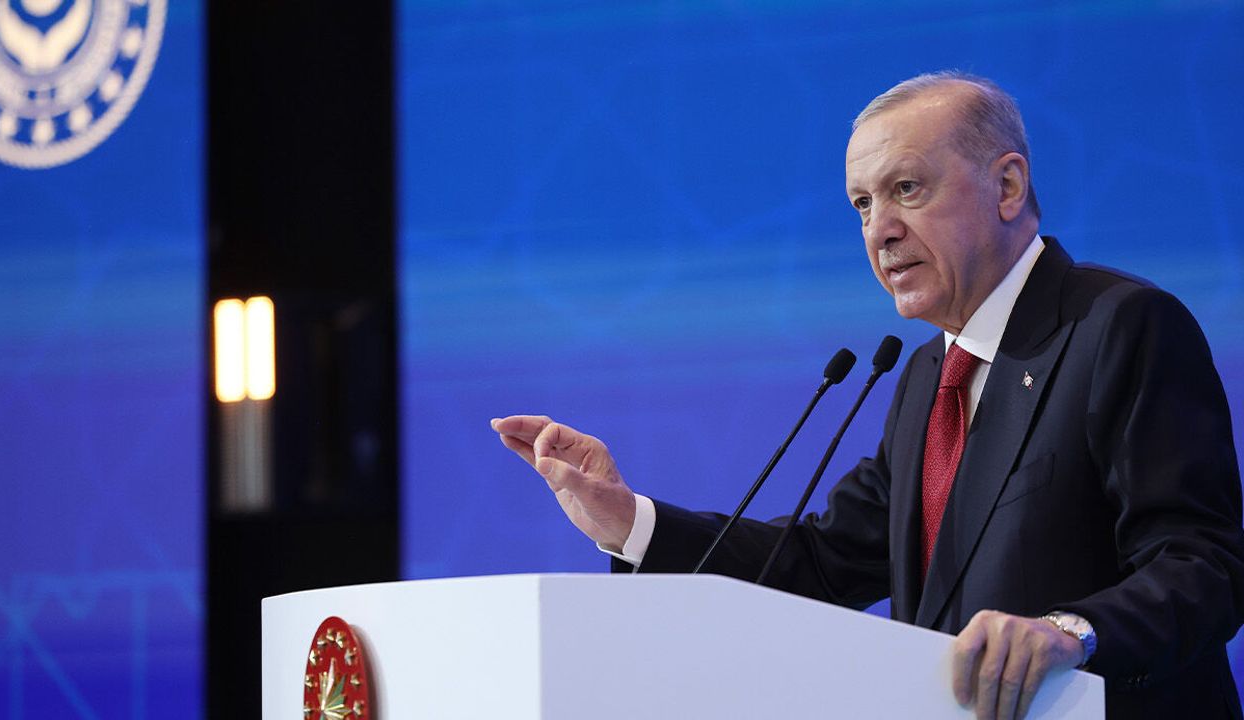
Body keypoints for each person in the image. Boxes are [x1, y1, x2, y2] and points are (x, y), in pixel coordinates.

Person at [491, 72, 1244, 720]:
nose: (879, 230)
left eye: (906, 189)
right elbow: (823, 562)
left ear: (1008, 186)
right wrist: (629, 521)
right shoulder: (925, 377)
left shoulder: (1118, 327)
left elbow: (1204, 564)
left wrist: (1069, 632)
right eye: (861, 204)